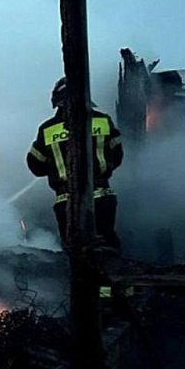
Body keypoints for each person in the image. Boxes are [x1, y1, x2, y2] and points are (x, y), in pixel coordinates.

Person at [26, 77, 124, 251]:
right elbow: (117, 155)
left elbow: (35, 165)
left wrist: (55, 167)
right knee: (107, 243)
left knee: (75, 250)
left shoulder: (47, 130)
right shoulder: (103, 121)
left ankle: (82, 277)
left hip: (67, 201)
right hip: (103, 196)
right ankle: (110, 274)